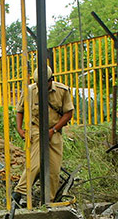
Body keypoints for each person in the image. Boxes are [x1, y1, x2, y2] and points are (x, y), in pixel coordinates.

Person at [13, 65, 74, 205]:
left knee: (53, 168)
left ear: (50, 80)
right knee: (36, 163)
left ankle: (48, 201)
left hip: (55, 130)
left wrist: (54, 130)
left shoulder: (62, 91)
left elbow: (68, 113)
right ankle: (19, 193)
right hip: (36, 129)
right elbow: (20, 110)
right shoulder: (30, 91)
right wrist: (19, 129)